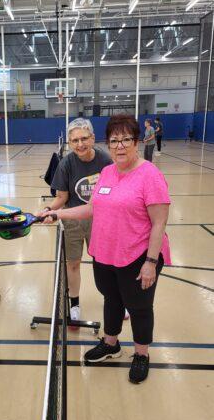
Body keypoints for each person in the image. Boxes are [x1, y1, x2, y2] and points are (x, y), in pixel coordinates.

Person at [44, 115, 171, 384]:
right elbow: (92, 207)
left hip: (138, 255)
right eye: (114, 140)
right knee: (111, 300)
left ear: (137, 142)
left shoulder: (150, 175)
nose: (120, 146)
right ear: (108, 144)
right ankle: (111, 343)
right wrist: (57, 215)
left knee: (139, 307)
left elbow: (159, 222)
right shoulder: (108, 172)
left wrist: (151, 261)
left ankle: (141, 354)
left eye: (126, 139)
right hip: (106, 253)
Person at [38, 118, 113, 324]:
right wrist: (47, 210)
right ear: (69, 143)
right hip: (72, 220)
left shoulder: (106, 161)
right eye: (74, 141)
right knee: (73, 264)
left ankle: (114, 301)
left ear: (92, 138)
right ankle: (74, 303)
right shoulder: (66, 164)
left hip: (100, 221)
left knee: (105, 264)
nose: (79, 144)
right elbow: (61, 197)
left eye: (84, 139)